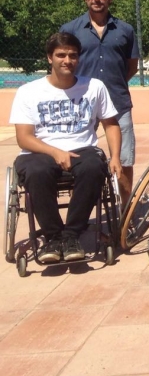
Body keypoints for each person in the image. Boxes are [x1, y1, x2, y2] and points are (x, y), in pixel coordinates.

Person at [9, 32, 122, 264]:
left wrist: (116, 157)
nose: (67, 60)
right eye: (61, 55)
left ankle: (70, 236)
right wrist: (54, 152)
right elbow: (24, 137)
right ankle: (53, 238)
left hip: (83, 149)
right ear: (50, 58)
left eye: (72, 55)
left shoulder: (94, 87)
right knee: (37, 172)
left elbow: (111, 124)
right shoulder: (28, 92)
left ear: (78, 58)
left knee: (93, 167)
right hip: (39, 152)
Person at [60, 0, 139, 203]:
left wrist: (109, 87)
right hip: (80, 104)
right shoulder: (70, 29)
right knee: (79, 159)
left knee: (124, 159)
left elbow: (131, 66)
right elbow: (65, 63)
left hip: (118, 102)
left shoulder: (125, 30)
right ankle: (81, 213)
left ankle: (125, 213)